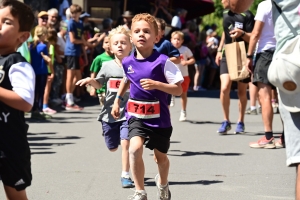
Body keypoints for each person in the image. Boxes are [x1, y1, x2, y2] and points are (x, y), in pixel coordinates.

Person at [230, 0, 300, 198]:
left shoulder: (265, 5)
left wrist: (249, 56)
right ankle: (284, 136)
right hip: (289, 57)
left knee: (265, 96)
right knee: (279, 97)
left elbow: (255, 31)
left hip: (281, 57)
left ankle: (268, 136)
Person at [111, 13, 183, 200]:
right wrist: (118, 100)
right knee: (134, 149)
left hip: (159, 119)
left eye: (146, 31)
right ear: (131, 38)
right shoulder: (127, 61)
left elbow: (178, 90)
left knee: (161, 158)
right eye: (137, 31)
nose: (141, 34)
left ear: (157, 37)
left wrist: (157, 85)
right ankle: (140, 191)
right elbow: (127, 80)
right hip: (135, 116)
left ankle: (163, 183)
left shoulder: (163, 61)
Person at [76, 25, 134, 189]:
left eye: (123, 43)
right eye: (116, 43)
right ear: (110, 46)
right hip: (110, 112)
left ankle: (125, 175)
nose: (120, 46)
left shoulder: (135, 65)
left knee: (126, 144)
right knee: (112, 147)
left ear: (131, 45)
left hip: (129, 112)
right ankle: (110, 137)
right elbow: (99, 83)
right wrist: (90, 81)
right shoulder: (107, 66)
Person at [0, 0, 35, 199]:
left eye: (6, 22)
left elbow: (25, 100)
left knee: (14, 192)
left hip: (9, 144)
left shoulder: (17, 64)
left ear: (22, 36)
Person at [215, 0, 254, 135]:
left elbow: (253, 38)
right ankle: (226, 121)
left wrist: (242, 33)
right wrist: (219, 50)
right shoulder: (225, 14)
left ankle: (240, 121)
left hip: (242, 54)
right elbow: (225, 33)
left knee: (241, 92)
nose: (221, 1)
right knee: (225, 87)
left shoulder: (247, 15)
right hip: (227, 53)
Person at [64, 4, 103, 110]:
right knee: (70, 75)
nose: (74, 15)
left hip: (77, 52)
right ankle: (69, 99)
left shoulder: (80, 23)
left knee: (78, 77)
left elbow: (82, 41)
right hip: (71, 51)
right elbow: (73, 40)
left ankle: (69, 96)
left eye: (76, 13)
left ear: (79, 13)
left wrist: (85, 56)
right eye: (72, 13)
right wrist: (84, 42)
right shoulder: (71, 23)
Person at [154, 17, 180, 107]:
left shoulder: (166, 43)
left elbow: (177, 59)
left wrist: (162, 61)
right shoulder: (147, 42)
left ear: (162, 32)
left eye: (157, 28)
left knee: (164, 107)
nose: (154, 29)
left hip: (163, 79)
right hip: (149, 77)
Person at [171, 31, 195, 121]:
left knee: (183, 94)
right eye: (175, 39)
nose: (176, 41)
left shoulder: (185, 50)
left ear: (182, 41)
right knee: (169, 88)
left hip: (183, 75)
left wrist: (187, 62)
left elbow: (192, 59)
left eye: (178, 39)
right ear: (171, 40)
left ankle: (183, 111)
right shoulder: (169, 49)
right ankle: (171, 97)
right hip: (172, 75)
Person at [30, 26, 53, 120]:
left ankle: (33, 110)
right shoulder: (43, 46)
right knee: (41, 91)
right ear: (43, 35)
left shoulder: (31, 45)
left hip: (34, 70)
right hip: (42, 70)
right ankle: (39, 110)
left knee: (35, 91)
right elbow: (47, 59)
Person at [89, 34, 114, 108]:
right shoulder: (99, 58)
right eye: (106, 42)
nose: (108, 45)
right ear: (102, 45)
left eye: (110, 42)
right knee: (106, 110)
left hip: (115, 89)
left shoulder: (119, 57)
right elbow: (94, 73)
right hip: (103, 89)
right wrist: (93, 88)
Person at [51, 21, 67, 105]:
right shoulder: (58, 37)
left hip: (63, 60)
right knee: (57, 79)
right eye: (65, 28)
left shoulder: (65, 37)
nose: (67, 30)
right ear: (61, 28)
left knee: (60, 79)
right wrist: (67, 53)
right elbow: (56, 49)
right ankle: (54, 97)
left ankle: (58, 96)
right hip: (58, 60)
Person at [42, 27, 57, 115]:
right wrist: (52, 72)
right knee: (47, 89)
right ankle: (45, 105)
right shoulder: (50, 46)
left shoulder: (45, 45)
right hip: (48, 70)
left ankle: (43, 105)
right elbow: (50, 61)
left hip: (44, 70)